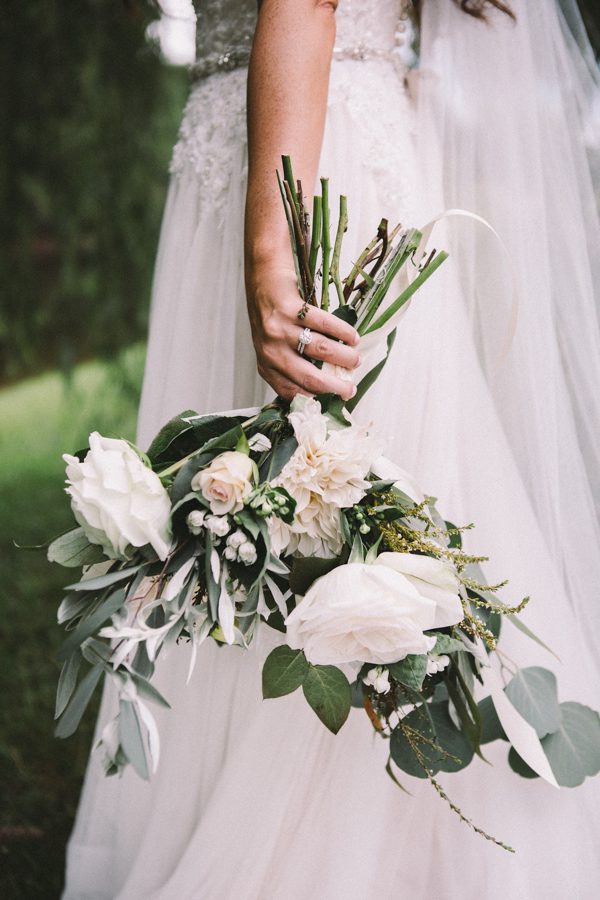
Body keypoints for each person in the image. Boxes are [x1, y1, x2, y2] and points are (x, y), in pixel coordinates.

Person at [62, 2, 600, 897]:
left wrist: (274, 258)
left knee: (310, 498)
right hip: (313, 132)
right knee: (285, 506)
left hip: (296, 164)